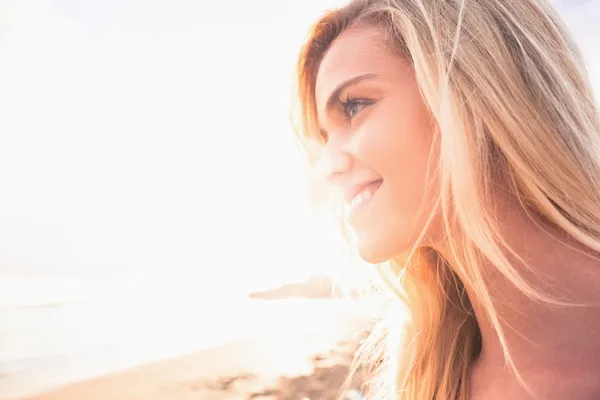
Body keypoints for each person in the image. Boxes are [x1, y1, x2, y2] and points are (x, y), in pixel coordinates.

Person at [292, 0, 600, 399]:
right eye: (324, 137)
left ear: (476, 88)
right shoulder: (431, 379)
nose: (327, 168)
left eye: (354, 106)